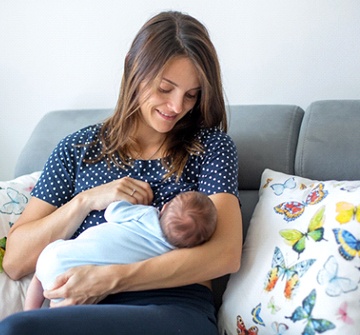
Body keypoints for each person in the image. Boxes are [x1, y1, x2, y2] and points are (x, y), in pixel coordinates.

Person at [1, 10, 243, 335]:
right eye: (164, 88)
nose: (176, 106)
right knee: (18, 328)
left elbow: (225, 255)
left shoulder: (211, 147)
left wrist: (111, 277)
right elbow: (15, 261)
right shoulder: (77, 150)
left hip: (172, 306)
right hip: (81, 310)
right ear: (133, 66)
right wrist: (86, 201)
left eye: (191, 94)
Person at [24, 191, 218, 310]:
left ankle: (29, 312)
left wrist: (133, 204)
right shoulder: (168, 255)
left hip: (57, 257)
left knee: (39, 277)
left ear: (165, 206)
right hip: (77, 287)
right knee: (61, 308)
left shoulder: (146, 214)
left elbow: (112, 212)